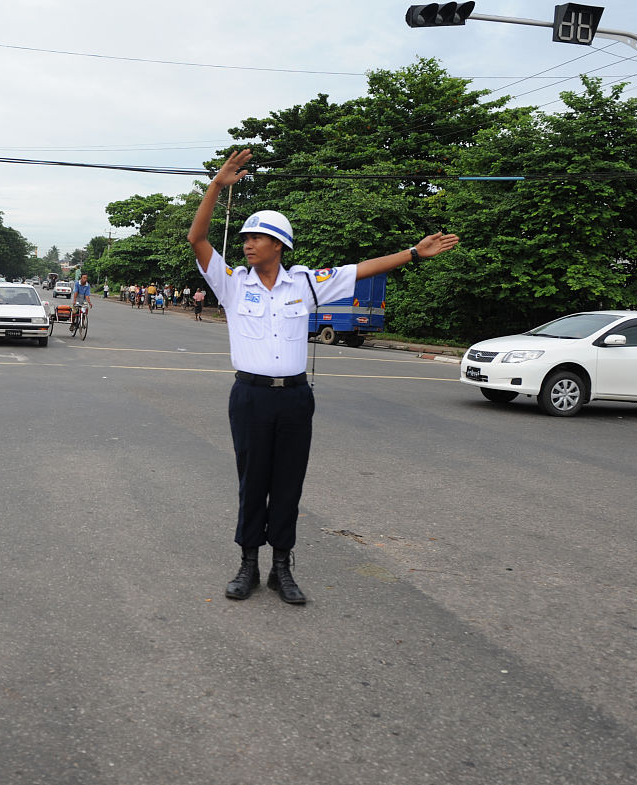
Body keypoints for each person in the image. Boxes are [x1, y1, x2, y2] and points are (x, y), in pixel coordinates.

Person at [187, 149, 459, 606]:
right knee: (253, 481)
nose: (248, 244)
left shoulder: (307, 283)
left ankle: (282, 568)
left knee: (289, 483)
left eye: (257, 238)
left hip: (294, 399)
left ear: (278, 246)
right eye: (247, 237)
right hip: (249, 397)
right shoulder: (233, 282)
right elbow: (197, 238)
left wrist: (414, 253)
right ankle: (248, 564)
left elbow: (364, 267)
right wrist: (217, 186)